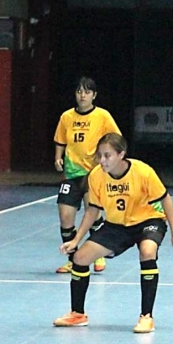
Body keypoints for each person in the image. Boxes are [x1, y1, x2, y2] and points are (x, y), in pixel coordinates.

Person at [53, 133, 173, 333]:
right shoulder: (96, 175)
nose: (102, 161)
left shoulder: (143, 171)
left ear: (121, 154)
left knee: (148, 251)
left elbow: (165, 199)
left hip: (148, 221)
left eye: (107, 156)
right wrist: (76, 240)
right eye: (99, 156)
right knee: (80, 257)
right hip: (116, 226)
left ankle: (146, 317)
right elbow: (92, 210)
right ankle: (77, 314)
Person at [53, 76, 121, 275]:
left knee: (93, 214)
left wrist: (108, 160)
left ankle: (96, 253)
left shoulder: (102, 116)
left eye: (87, 92)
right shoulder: (66, 117)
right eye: (79, 91)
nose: (82, 96)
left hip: (93, 174)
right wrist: (58, 158)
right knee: (66, 215)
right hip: (72, 173)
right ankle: (72, 258)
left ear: (94, 95)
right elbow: (60, 140)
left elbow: (115, 139)